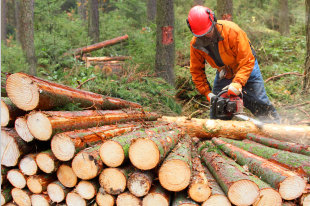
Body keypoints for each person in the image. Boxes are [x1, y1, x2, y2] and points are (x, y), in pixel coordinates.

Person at [187, 5, 280, 123]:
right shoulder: (196, 43)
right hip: (225, 72)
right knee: (218, 108)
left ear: (213, 20)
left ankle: (276, 129)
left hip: (246, 66)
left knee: (260, 102)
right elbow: (196, 70)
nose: (206, 35)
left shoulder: (232, 31)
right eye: (202, 34)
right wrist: (207, 93)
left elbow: (247, 60)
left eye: (208, 31)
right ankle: (219, 137)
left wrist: (238, 83)